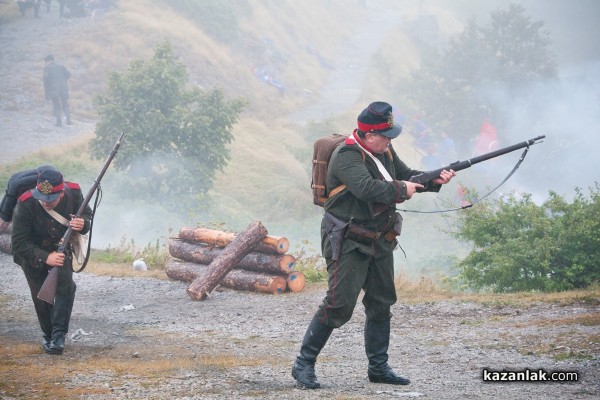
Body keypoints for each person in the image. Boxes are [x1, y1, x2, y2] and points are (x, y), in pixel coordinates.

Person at [292, 101, 455, 389]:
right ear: (368, 135)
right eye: (386, 135)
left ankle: (378, 368)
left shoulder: (384, 150)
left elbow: (405, 177)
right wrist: (401, 189)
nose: (391, 140)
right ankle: (303, 363)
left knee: (381, 303)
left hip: (380, 237)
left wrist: (434, 179)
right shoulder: (347, 157)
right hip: (347, 239)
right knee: (339, 304)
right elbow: (368, 189)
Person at [11, 167, 92, 355]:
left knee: (65, 287)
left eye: (50, 198)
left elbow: (87, 216)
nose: (45, 202)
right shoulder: (25, 203)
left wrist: (83, 224)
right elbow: (18, 243)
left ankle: (58, 336)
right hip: (32, 252)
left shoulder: (74, 193)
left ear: (61, 192)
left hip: (60, 247)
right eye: (42, 197)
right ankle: (48, 334)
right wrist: (46, 257)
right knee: (40, 292)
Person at [43, 55, 72, 127]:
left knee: (56, 105)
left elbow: (45, 82)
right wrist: (62, 80)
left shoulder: (47, 68)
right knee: (65, 104)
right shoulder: (61, 66)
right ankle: (68, 119)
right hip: (63, 89)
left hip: (53, 90)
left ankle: (59, 122)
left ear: (48, 61)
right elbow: (68, 75)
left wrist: (47, 95)